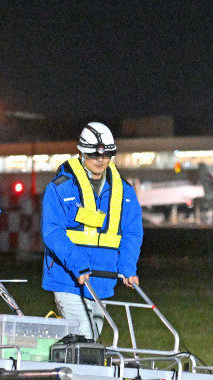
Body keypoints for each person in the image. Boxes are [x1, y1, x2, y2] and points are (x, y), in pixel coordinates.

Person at [41, 122, 143, 341]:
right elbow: (53, 232)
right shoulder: (60, 188)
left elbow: (132, 233)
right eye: (94, 155)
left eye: (106, 155)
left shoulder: (125, 191)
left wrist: (127, 267)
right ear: (81, 151)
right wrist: (78, 264)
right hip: (67, 278)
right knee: (84, 339)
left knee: (91, 340)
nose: (100, 160)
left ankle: (59, 360)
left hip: (103, 279)